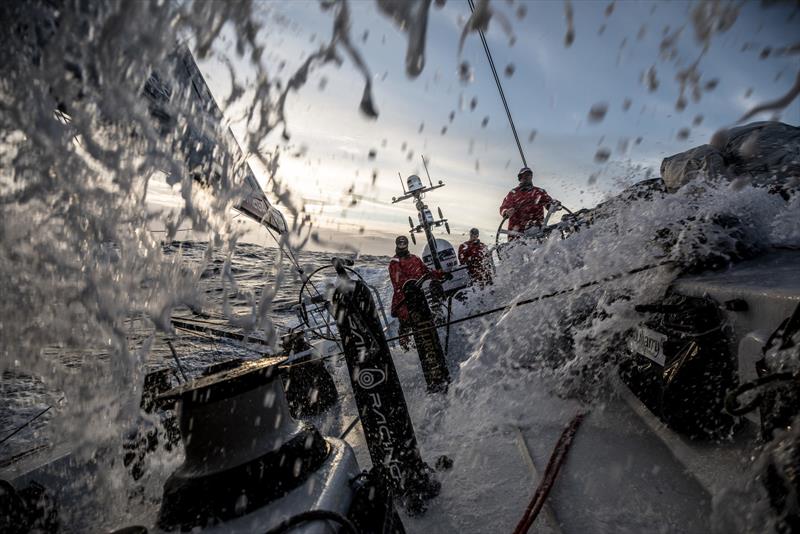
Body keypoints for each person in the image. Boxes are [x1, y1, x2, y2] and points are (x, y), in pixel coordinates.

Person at [389, 235, 444, 349]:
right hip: (404, 301)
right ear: (397, 244)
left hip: (419, 299)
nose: (402, 245)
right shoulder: (395, 263)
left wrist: (440, 274)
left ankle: (431, 345)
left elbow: (426, 272)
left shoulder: (415, 259)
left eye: (404, 243)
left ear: (407, 244)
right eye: (400, 243)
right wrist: (411, 287)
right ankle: (407, 351)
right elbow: (398, 283)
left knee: (425, 322)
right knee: (406, 326)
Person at [499, 166, 557, 239]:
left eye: (529, 175)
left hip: (537, 231)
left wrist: (553, 205)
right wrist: (506, 212)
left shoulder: (539, 192)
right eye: (524, 175)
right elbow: (504, 207)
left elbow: (549, 203)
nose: (527, 177)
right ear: (520, 178)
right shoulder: (513, 193)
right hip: (516, 233)